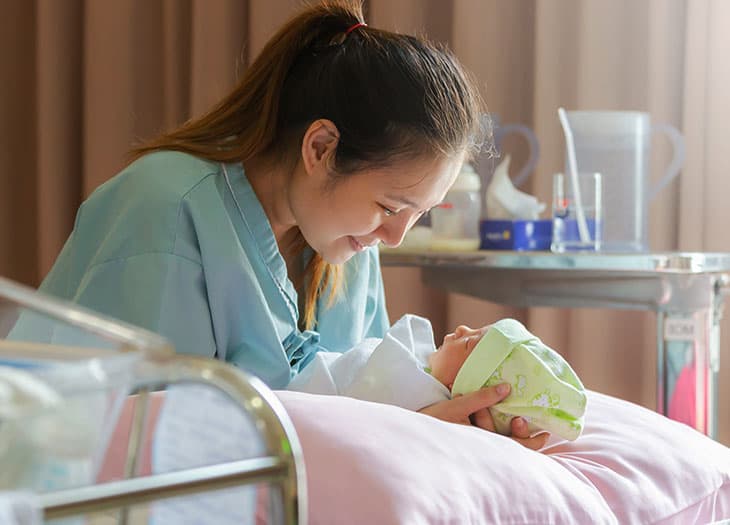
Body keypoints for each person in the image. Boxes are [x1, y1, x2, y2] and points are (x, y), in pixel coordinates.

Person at [35, 1, 545, 449]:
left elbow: (361, 395)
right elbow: (143, 443)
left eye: (419, 215)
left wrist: (448, 419)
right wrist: (408, 433)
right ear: (320, 148)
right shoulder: (165, 209)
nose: (395, 237)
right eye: (391, 207)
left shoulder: (348, 247)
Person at [289, 314, 586, 441]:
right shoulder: (417, 363)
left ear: (463, 387)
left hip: (299, 409)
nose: (460, 329)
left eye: (469, 343)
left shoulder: (413, 387)